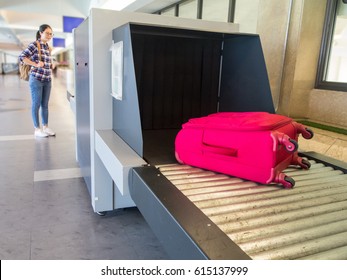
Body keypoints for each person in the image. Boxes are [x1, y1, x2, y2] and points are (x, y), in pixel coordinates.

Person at [19, 24, 55, 138]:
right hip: (37, 79)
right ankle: (37, 129)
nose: (49, 35)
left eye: (51, 34)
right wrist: (35, 64)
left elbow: (45, 61)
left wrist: (51, 64)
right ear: (41, 33)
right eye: (47, 33)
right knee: (36, 104)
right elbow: (22, 57)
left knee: (45, 105)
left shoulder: (47, 47)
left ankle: (45, 127)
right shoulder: (35, 45)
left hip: (47, 80)